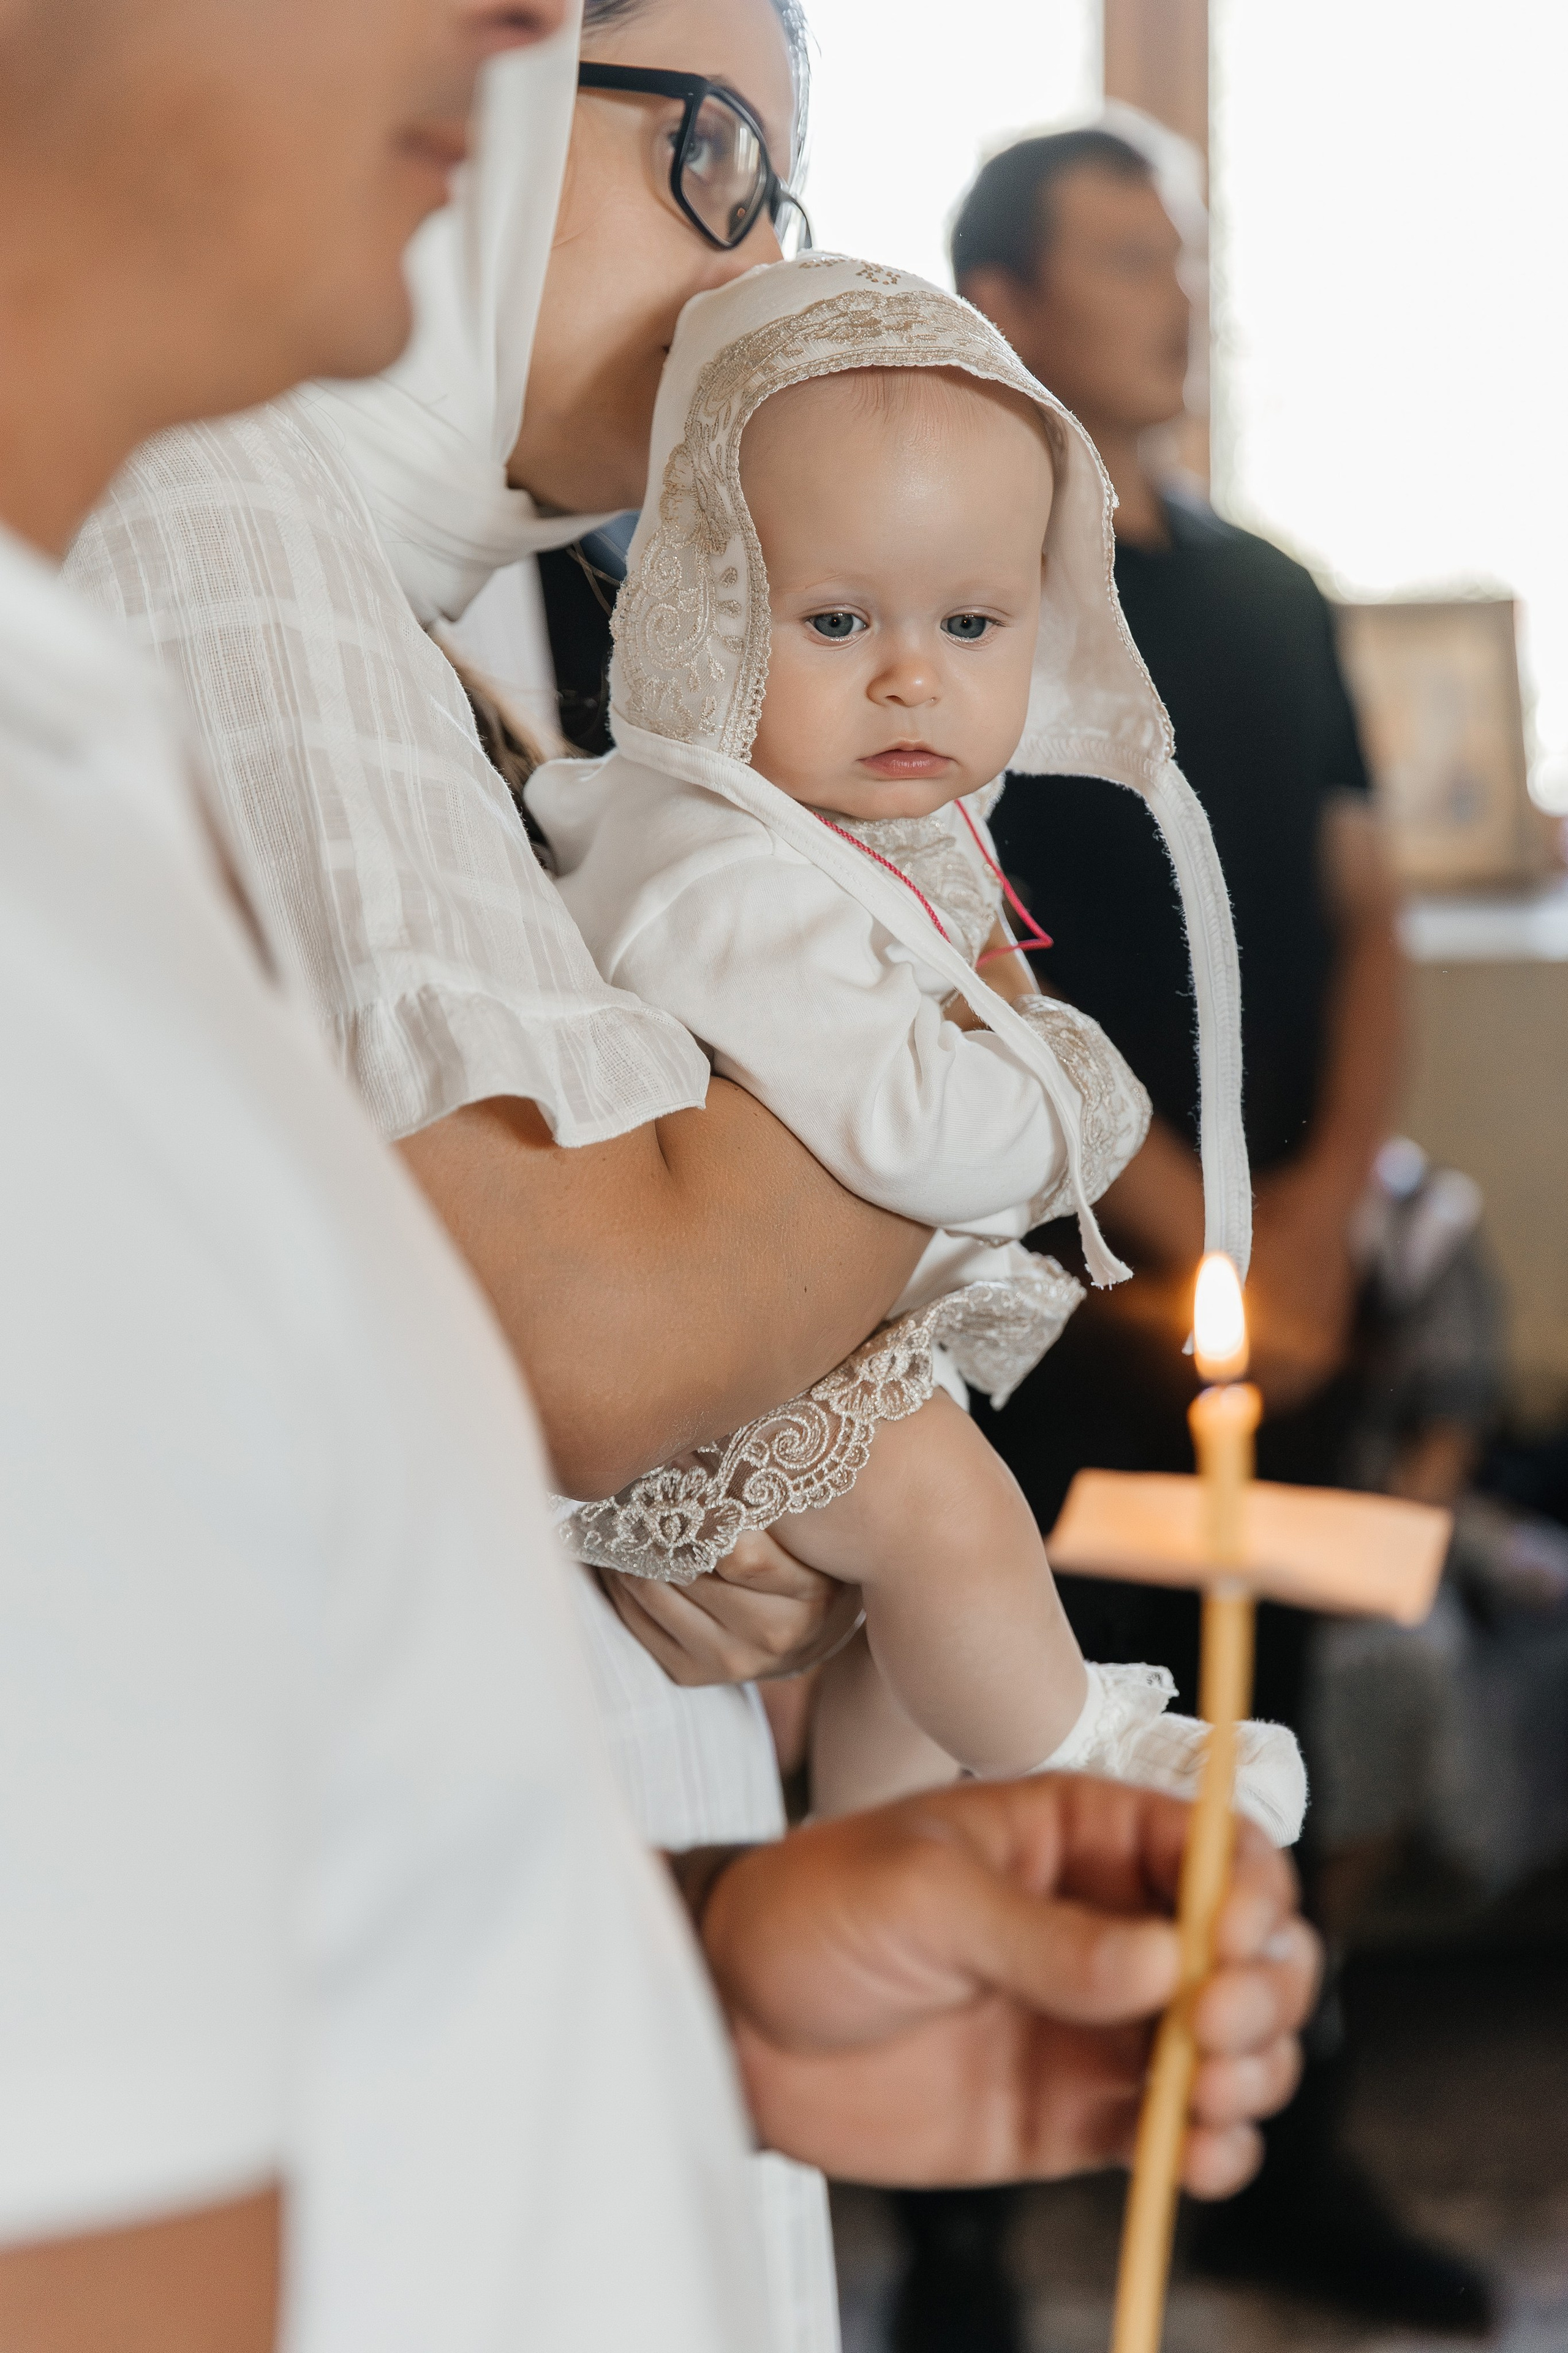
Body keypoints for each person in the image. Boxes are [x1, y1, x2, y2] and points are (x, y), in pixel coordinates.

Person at [2, 6, 1322, 2347]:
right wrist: (965, 1054)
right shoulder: (194, 530)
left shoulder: (324, 625)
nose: (503, 22)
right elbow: (602, 1323)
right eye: (708, 148)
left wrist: (703, 1969)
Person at [935, 124, 1493, 2340]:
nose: (1180, 292)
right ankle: (965, 2237)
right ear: (1005, 300)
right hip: (1060, 1294)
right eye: (1126, 255)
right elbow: (961, 926)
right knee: (1026, 1720)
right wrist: (1174, 1211)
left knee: (1287, 1719)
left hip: (1287, 1295)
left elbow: (1364, 918)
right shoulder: (962, 589)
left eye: (1182, 254)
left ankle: (1273, 2156)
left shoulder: (1270, 594)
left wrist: (1322, 1210)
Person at [526, 256, 1303, 1846]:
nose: (912, 675)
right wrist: (1069, 1078)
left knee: (915, 1612)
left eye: (971, 621)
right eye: (836, 620)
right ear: (709, 612)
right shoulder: (712, 866)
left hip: (815, 1330)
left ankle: (885, 1841)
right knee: (952, 1518)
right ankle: (1088, 1753)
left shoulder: (847, 824)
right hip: (719, 1373)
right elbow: (912, 1128)